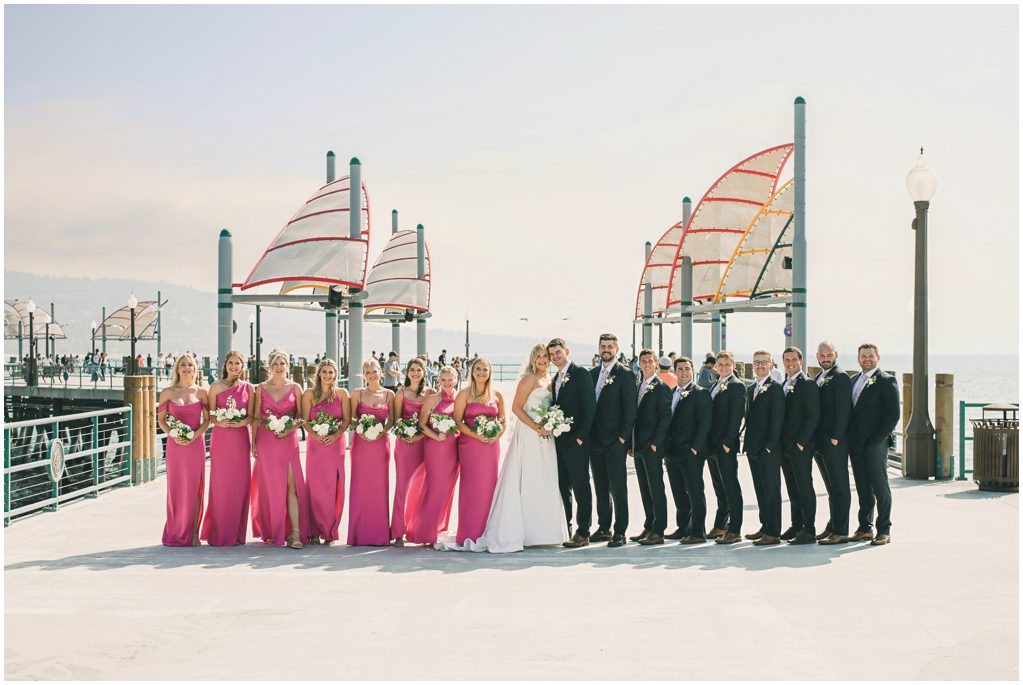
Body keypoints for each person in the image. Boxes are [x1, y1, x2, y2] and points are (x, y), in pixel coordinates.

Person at [440, 346, 567, 553]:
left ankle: (543, 530)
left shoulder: (550, 381)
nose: (543, 360)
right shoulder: (528, 379)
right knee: (525, 478)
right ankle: (520, 530)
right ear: (532, 359)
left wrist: (551, 424)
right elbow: (517, 408)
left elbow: (506, 416)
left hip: (545, 437)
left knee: (543, 479)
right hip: (529, 434)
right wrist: (536, 427)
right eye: (538, 356)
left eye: (546, 356)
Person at [250, 349, 308, 549]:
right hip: (267, 441)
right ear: (270, 366)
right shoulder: (261, 388)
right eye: (275, 363)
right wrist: (253, 442)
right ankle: (274, 530)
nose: (279, 367)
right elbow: (256, 417)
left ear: (288, 366)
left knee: (292, 487)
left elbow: (301, 416)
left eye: (282, 363)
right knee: (272, 487)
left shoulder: (296, 387)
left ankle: (295, 533)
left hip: (288, 441)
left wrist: (290, 427)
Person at [200, 350, 254, 546]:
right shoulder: (214, 387)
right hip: (221, 438)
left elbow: (251, 416)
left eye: (237, 363)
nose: (234, 366)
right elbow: (211, 415)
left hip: (240, 439)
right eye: (230, 363)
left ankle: (237, 533)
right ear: (225, 365)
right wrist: (220, 422)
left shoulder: (249, 388)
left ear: (242, 366)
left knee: (240, 484)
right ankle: (219, 531)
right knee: (221, 484)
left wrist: (241, 423)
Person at [588, 333, 637, 548]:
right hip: (595, 441)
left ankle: (620, 530)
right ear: (599, 349)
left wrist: (623, 438)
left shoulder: (625, 374)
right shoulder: (591, 374)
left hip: (615, 442)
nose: (606, 349)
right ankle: (604, 527)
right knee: (600, 486)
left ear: (616, 349)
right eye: (603, 346)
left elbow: (630, 409)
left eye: (610, 346)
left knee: (618, 488)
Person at [848, 343, 899, 546]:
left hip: (875, 444)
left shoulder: (887, 381)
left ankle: (884, 529)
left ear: (878, 357)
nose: (867, 359)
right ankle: (864, 528)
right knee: (862, 487)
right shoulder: (853, 381)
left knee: (880, 487)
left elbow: (893, 414)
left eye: (870, 356)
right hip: (856, 443)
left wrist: (877, 440)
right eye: (863, 356)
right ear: (858, 358)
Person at [547, 338, 596, 548]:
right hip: (559, 441)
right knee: (563, 486)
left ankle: (583, 531)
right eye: (552, 354)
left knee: (580, 485)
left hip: (577, 442)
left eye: (558, 352)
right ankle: (565, 528)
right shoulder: (556, 377)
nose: (555, 356)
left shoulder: (580, 373)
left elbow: (589, 407)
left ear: (566, 351)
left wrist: (581, 437)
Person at [451, 357, 505, 545]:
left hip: (491, 448)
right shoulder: (464, 394)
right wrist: (476, 435)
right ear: (472, 371)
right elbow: (458, 421)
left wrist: (497, 434)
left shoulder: (497, 395)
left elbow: (503, 421)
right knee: (471, 487)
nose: (482, 372)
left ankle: (488, 531)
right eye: (478, 369)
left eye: (485, 369)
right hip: (470, 447)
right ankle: (468, 532)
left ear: (490, 373)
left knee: (489, 487)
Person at [157, 353, 210, 546]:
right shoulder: (168, 392)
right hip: (175, 446)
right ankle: (175, 530)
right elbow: (161, 421)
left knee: (195, 487)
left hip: (196, 445)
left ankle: (194, 532)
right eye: (183, 365)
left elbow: (208, 420)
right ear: (177, 369)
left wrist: (196, 436)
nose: (187, 368)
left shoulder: (202, 392)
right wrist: (172, 434)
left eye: (191, 365)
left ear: (196, 369)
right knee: (176, 488)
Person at [407, 366, 460, 546]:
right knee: (435, 488)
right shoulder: (432, 399)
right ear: (439, 381)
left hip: (454, 450)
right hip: (436, 449)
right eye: (443, 380)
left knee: (447, 490)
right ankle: (425, 532)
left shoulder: (460, 398)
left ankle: (438, 528)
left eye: (450, 379)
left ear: (455, 379)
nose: (447, 383)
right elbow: (422, 424)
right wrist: (437, 435)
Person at [302, 359, 350, 545]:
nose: (328, 376)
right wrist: (315, 435)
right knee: (315, 487)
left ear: (336, 374)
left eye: (331, 372)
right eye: (325, 372)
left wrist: (336, 434)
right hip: (316, 445)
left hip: (336, 445)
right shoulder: (308, 394)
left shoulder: (343, 394)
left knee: (333, 487)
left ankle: (330, 530)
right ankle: (314, 529)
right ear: (319, 374)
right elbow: (305, 420)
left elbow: (346, 420)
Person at [665, 357, 713, 544]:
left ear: (693, 370)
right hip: (672, 452)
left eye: (687, 369)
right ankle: (683, 527)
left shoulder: (701, 393)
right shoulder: (671, 392)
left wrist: (695, 448)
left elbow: (705, 423)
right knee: (678, 492)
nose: (684, 372)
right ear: (674, 372)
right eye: (680, 369)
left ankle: (698, 531)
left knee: (694, 491)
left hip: (691, 452)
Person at [628, 349, 673, 545]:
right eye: (643, 361)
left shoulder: (661, 387)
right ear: (639, 363)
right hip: (638, 446)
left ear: (655, 363)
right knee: (645, 489)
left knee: (656, 488)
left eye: (650, 361)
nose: (646, 364)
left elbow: (665, 418)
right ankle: (648, 525)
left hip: (652, 447)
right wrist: (631, 444)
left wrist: (656, 444)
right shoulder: (638, 386)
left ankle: (659, 530)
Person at [348, 358, 395, 545]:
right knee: (360, 487)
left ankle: (379, 534)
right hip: (361, 445)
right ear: (364, 375)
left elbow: (391, 420)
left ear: (380, 372)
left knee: (378, 488)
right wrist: (361, 431)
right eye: (367, 372)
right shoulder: (357, 393)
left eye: (374, 371)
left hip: (380, 445)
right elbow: (352, 419)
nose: (372, 375)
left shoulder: (389, 394)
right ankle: (358, 534)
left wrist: (380, 432)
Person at [742, 349, 785, 546]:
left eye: (764, 362)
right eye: (757, 362)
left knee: (772, 489)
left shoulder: (775, 388)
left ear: (771, 364)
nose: (760, 365)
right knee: (760, 489)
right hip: (753, 448)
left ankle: (774, 531)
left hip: (768, 449)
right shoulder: (751, 389)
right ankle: (765, 525)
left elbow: (777, 419)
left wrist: (769, 445)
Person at [390, 358, 434, 546]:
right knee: (403, 486)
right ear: (407, 373)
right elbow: (396, 420)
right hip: (405, 445)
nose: (415, 373)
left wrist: (420, 436)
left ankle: (419, 529)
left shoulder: (432, 393)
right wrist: (406, 435)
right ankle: (399, 531)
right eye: (412, 370)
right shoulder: (400, 393)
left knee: (423, 487)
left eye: (419, 370)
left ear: (424, 372)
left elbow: (433, 420)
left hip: (425, 444)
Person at [779, 346, 820, 544]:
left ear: (800, 361)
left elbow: (813, 415)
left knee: (804, 486)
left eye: (793, 359)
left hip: (800, 445)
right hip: (784, 446)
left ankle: (809, 529)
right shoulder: (784, 383)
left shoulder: (808, 384)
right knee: (792, 487)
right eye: (786, 360)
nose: (790, 363)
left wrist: (802, 442)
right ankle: (796, 525)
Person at [813, 341, 853, 545]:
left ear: (835, 354)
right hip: (820, 443)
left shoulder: (840, 377)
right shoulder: (820, 377)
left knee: (840, 487)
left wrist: (836, 437)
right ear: (817, 356)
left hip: (834, 442)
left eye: (829, 354)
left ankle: (841, 531)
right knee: (831, 488)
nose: (826, 358)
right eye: (823, 355)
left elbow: (844, 410)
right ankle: (832, 526)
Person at [706, 351, 746, 544]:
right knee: (719, 488)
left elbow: (736, 416)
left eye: (726, 364)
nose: (722, 367)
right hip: (712, 445)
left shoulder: (736, 386)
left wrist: (728, 442)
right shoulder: (716, 384)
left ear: (733, 364)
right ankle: (721, 525)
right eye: (720, 364)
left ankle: (735, 529)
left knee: (731, 487)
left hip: (725, 445)